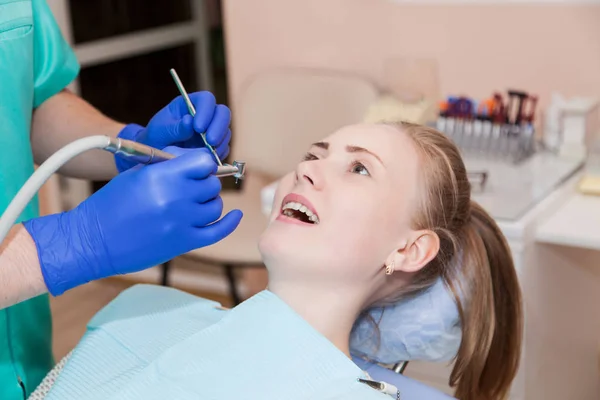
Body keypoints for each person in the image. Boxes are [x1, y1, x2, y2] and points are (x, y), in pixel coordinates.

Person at [38, 122, 523, 400]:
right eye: (315, 153)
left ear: (407, 251)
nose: (307, 169)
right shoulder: (140, 309)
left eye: (359, 167)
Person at [0, 0, 242, 398]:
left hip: (26, 363)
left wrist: (136, 145)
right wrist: (71, 243)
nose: (307, 172)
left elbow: (31, 101)